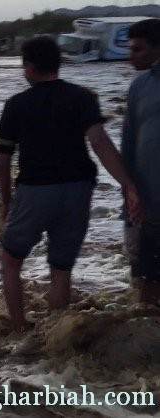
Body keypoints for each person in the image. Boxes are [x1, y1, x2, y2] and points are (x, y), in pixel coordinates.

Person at [0, 36, 142, 330]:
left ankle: (20, 328)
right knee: (61, 268)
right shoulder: (83, 97)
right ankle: (56, 336)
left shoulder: (16, 104)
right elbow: (99, 141)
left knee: (11, 261)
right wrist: (128, 185)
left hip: (36, 191)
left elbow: (2, 159)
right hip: (78, 190)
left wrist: (7, 201)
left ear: (30, 67)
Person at [122, 18, 160, 303]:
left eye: (138, 50)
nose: (130, 56)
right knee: (145, 278)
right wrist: (129, 191)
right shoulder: (140, 86)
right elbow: (128, 143)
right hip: (146, 201)